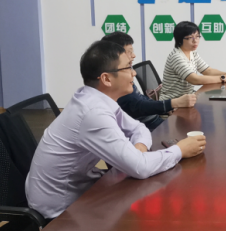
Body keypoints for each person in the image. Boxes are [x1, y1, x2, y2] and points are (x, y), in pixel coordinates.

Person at [26, 41, 207, 220]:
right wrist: (180, 150)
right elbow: (140, 168)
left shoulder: (98, 99)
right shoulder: (93, 112)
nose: (134, 73)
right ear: (106, 79)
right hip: (61, 211)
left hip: (84, 188)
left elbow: (139, 128)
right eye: (128, 67)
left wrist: (139, 148)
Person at [102, 32, 197, 131]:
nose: (134, 55)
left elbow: (140, 98)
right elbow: (137, 106)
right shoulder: (114, 80)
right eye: (129, 52)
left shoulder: (124, 74)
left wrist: (166, 107)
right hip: (146, 128)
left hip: (153, 120)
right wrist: (173, 103)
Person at [160, 21, 226, 101]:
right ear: (180, 39)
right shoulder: (176, 57)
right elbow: (195, 80)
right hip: (173, 102)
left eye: (197, 36)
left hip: (187, 99)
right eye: (190, 38)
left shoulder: (192, 53)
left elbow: (208, 71)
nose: (195, 40)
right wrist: (225, 78)